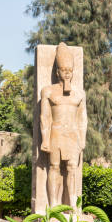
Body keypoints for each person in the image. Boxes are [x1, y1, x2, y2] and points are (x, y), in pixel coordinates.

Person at [40, 42, 87, 208]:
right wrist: (45, 139)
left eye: (70, 71)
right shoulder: (48, 91)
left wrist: (83, 139)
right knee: (54, 167)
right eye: (64, 71)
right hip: (56, 134)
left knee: (72, 168)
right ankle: (53, 205)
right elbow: (45, 117)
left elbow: (82, 119)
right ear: (57, 72)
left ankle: (73, 205)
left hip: (73, 135)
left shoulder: (79, 94)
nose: (67, 74)